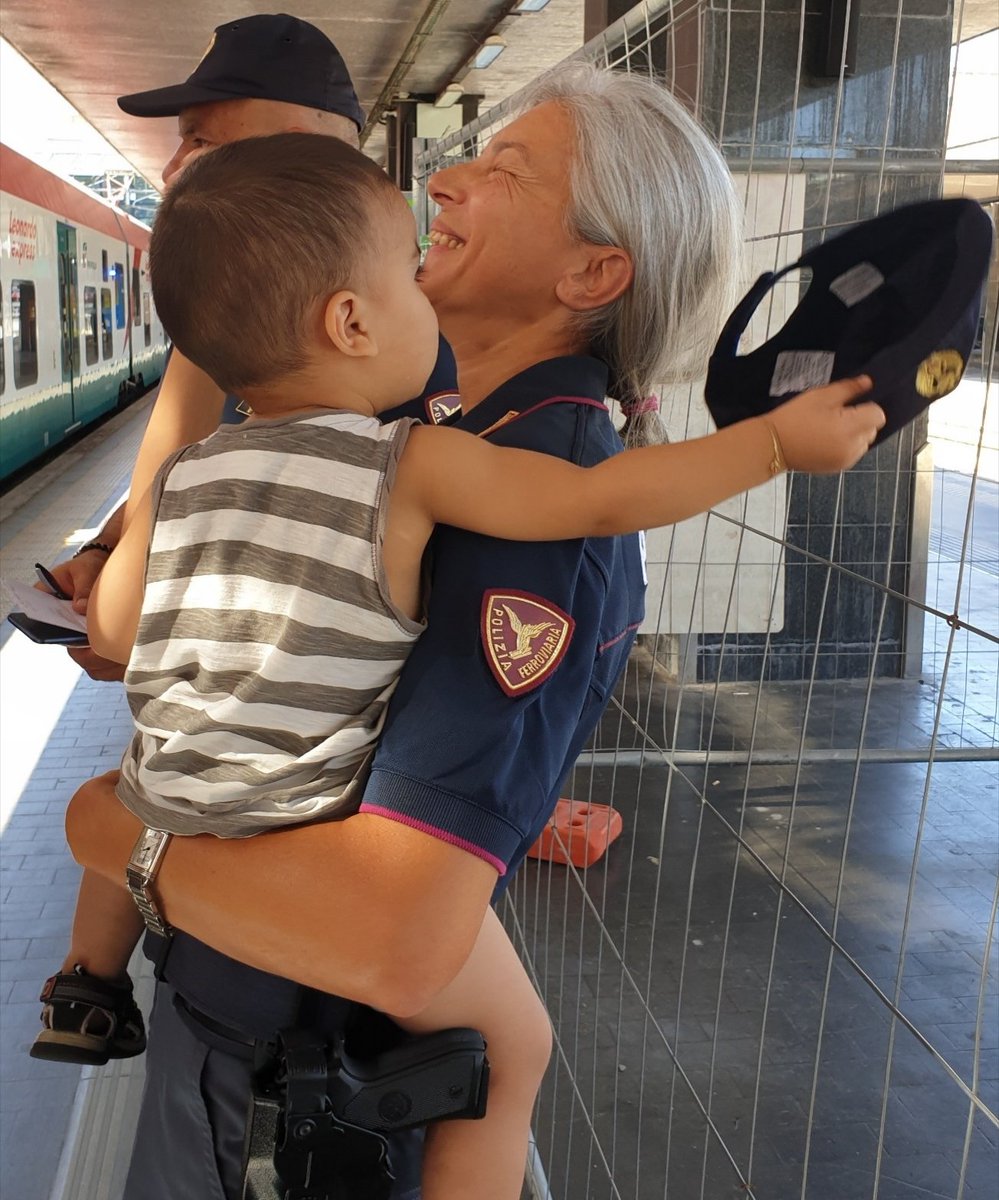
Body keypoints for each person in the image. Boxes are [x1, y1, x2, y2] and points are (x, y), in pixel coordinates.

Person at [57, 57, 884, 1200]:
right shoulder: (407, 430)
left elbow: (396, 937)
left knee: (514, 1054)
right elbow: (126, 621)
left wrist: (126, 843)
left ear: (593, 270)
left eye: (502, 167)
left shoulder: (530, 496)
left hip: (298, 1104)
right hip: (234, 1040)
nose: (442, 183)